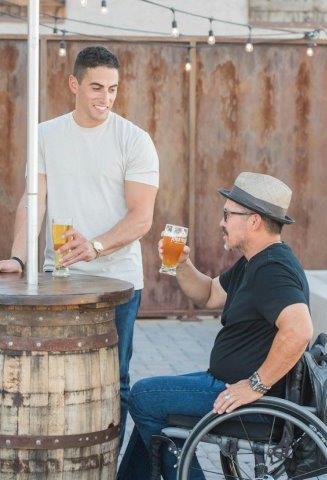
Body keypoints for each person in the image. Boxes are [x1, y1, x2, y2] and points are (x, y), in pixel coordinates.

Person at [0, 46, 159, 444]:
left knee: (115, 381)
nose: (105, 98)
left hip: (117, 281)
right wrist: (20, 257)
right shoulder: (45, 134)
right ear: (74, 84)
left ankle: (105, 465)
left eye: (113, 89)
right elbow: (31, 201)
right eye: (96, 88)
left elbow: (142, 217)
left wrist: (97, 246)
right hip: (62, 278)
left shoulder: (134, 140)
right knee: (56, 380)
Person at [117, 171, 314, 480]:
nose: (221, 222)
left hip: (251, 401)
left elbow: (300, 330)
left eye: (227, 214)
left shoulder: (273, 269)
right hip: (224, 382)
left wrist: (254, 385)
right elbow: (208, 294)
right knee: (154, 405)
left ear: (253, 221)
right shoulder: (255, 261)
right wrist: (181, 265)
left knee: (143, 396)